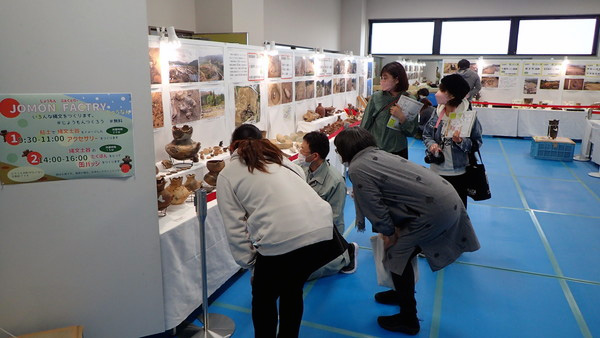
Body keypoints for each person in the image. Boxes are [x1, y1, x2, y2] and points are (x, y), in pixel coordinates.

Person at [333, 127, 480, 335]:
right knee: (401, 255)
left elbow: (375, 206)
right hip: (445, 197)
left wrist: (389, 232)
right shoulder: (377, 153)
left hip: (435, 210)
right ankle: (399, 293)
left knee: (396, 254)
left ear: (345, 150)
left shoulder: (357, 167)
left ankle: (409, 318)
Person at [217, 124, 343, 338]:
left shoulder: (228, 174)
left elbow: (235, 228)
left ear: (231, 147)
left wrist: (252, 266)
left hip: (283, 239)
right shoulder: (281, 159)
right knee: (292, 289)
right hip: (323, 233)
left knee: (263, 299)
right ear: (262, 140)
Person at [298, 131, 359, 278]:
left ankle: (346, 253)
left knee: (300, 275)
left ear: (315, 156)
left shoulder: (335, 182)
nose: (299, 153)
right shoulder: (302, 171)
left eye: (302, 150)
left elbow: (334, 221)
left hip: (323, 234)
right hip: (302, 228)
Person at [422, 74, 483, 208]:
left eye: (442, 90)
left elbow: (477, 143)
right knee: (436, 208)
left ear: (452, 96)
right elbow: (427, 134)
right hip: (436, 170)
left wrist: (461, 141)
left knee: (457, 209)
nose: (438, 93)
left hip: (458, 173)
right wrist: (432, 145)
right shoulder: (437, 111)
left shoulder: (468, 116)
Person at [360, 61, 418, 159]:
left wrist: (402, 118)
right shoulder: (376, 98)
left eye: (385, 78)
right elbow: (365, 124)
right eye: (381, 78)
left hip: (398, 151)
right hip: (376, 150)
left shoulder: (410, 100)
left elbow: (412, 131)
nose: (382, 81)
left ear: (396, 80)